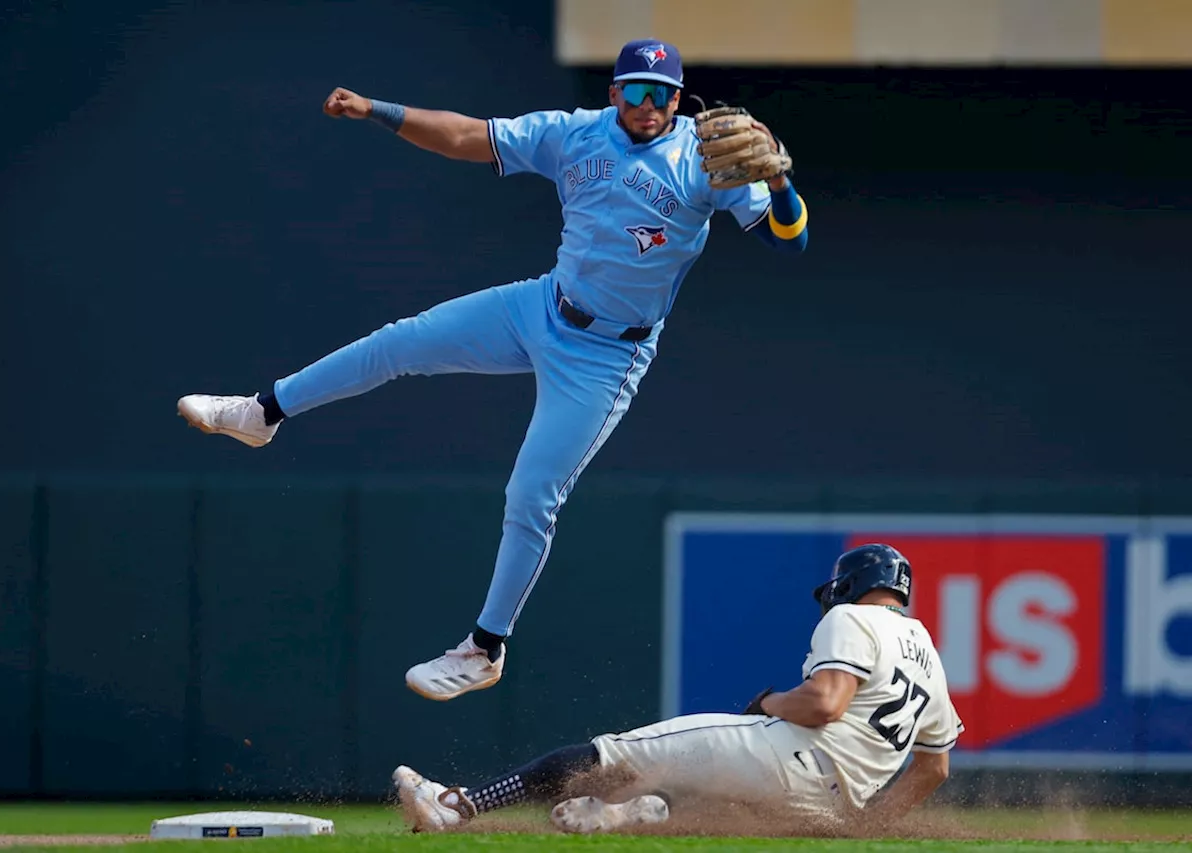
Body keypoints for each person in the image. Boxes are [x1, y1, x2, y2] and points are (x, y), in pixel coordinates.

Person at [175, 38, 809, 701]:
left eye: (662, 93)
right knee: (403, 341)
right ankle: (261, 412)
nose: (649, 104)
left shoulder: (705, 159)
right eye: (636, 89)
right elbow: (463, 137)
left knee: (532, 493)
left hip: (607, 355)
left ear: (679, 99)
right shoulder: (575, 134)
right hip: (542, 306)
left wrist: (779, 182)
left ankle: (484, 647)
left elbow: (790, 241)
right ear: (616, 91)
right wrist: (376, 110)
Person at [392, 544, 964, 834]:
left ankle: (456, 807)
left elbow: (823, 704)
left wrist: (769, 703)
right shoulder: (931, 660)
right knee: (707, 780)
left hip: (795, 755)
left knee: (610, 754)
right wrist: (864, 828)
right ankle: (633, 811)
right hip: (832, 804)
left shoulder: (855, 619)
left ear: (856, 585)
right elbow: (932, 769)